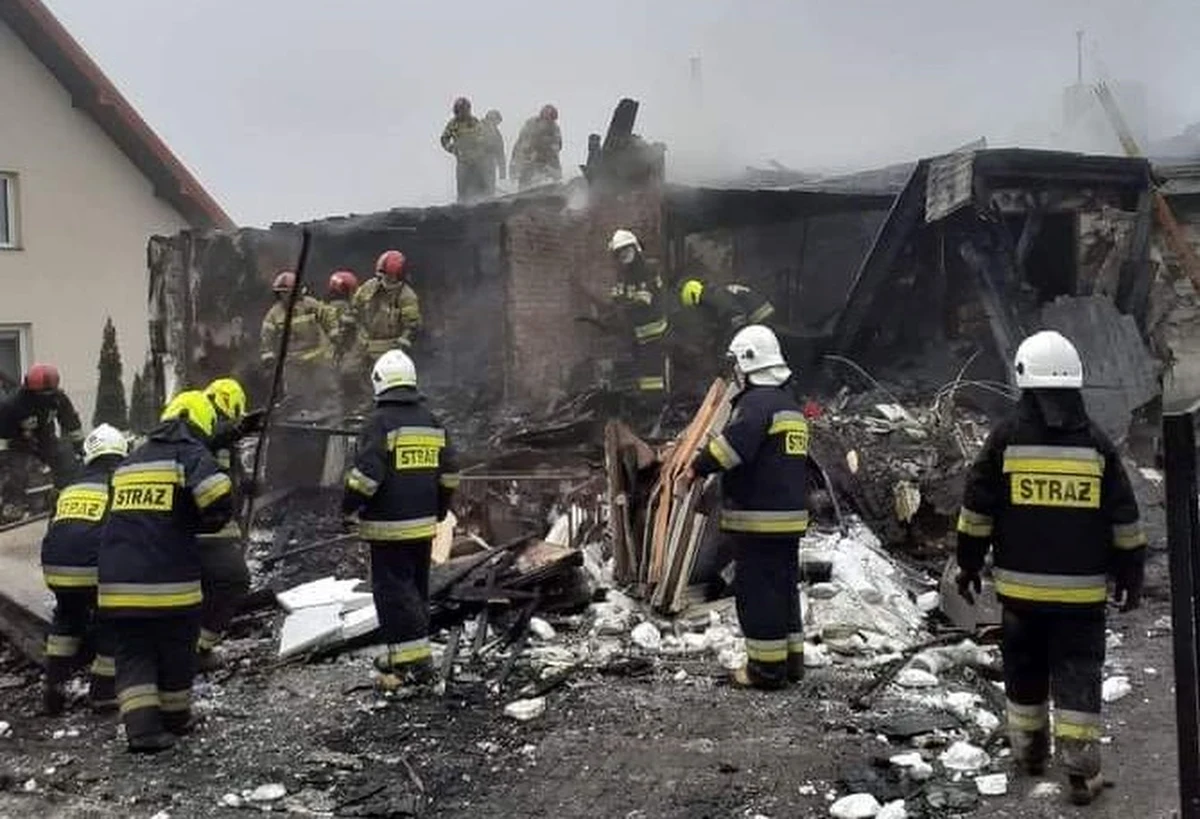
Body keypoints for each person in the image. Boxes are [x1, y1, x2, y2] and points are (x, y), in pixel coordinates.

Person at [955, 330, 1146, 806]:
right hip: (1081, 600)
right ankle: (1081, 773)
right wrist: (1131, 577)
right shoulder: (1096, 444)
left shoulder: (1005, 439)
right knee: (1078, 671)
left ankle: (1028, 753)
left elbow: (977, 510)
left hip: (1020, 596)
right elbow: (1125, 519)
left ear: (1024, 379)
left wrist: (968, 565)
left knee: (1024, 668)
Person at [98, 390, 233, 753]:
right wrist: (208, 522)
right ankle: (176, 719)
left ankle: (142, 732)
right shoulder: (189, 454)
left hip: (118, 582)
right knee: (176, 647)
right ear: (202, 422)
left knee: (133, 652)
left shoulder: (129, 462)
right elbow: (219, 496)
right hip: (169, 580)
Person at [690, 325, 809, 689]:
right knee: (783, 590)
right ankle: (790, 663)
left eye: (737, 364)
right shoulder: (789, 405)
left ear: (748, 362)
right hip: (789, 520)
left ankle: (765, 671)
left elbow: (730, 450)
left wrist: (696, 464)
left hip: (760, 520)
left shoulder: (755, 405)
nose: (735, 373)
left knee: (758, 595)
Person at [343, 350, 458, 688]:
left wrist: (347, 507)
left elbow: (366, 477)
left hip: (388, 527)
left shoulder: (378, 423)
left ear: (378, 382)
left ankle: (414, 665)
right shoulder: (433, 421)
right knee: (415, 589)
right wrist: (439, 509)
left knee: (393, 593)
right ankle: (404, 654)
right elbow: (450, 473)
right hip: (423, 525)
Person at [40, 423, 128, 716]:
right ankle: (103, 694)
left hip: (55, 571)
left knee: (66, 619)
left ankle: (53, 688)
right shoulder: (119, 486)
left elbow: (55, 529)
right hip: (93, 573)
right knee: (112, 623)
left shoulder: (70, 487)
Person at [195, 377, 264, 670]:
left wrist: (246, 484)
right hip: (206, 526)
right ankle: (196, 649)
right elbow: (210, 440)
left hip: (220, 523)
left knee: (216, 586)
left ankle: (195, 645)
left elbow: (228, 466)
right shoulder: (203, 422)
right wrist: (240, 427)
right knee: (232, 581)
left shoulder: (225, 434)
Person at [608, 229, 670, 410]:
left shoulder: (650, 268)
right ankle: (647, 405)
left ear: (635, 248)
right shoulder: (623, 274)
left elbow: (646, 300)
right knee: (641, 373)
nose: (623, 255)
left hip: (654, 332)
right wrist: (624, 303)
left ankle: (657, 406)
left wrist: (624, 303)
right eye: (619, 252)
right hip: (635, 333)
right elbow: (616, 298)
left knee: (653, 374)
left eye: (626, 250)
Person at [260, 271, 337, 408]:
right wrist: (268, 355)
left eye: (287, 292)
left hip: (317, 358)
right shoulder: (274, 314)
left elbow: (327, 316)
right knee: (296, 398)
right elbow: (266, 336)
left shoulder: (310, 305)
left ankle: (328, 414)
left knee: (325, 391)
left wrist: (334, 335)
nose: (284, 296)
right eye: (281, 293)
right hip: (292, 362)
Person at [0, 364, 84, 488]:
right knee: (21, 477)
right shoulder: (13, 405)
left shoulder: (58, 398)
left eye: (51, 390)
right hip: (18, 446)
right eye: (45, 392)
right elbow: (4, 435)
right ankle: (15, 504)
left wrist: (79, 448)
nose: (49, 395)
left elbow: (71, 423)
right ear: (32, 391)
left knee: (66, 464)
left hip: (47, 440)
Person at [352, 251, 423, 364]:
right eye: (383, 276)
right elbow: (354, 307)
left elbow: (412, 326)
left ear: (400, 277)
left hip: (390, 350)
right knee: (347, 372)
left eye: (390, 277)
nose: (385, 280)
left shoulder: (407, 296)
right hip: (363, 344)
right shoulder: (369, 287)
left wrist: (402, 345)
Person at [679, 279, 776, 337]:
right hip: (763, 310)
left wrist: (733, 336)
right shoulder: (716, 291)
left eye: (698, 306)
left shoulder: (712, 296)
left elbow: (737, 314)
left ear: (694, 296)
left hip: (758, 314)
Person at [440, 97, 490, 203]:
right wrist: (453, 149)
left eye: (465, 109)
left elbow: (483, 136)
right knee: (463, 189)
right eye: (460, 110)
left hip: (478, 160)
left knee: (482, 187)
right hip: (463, 162)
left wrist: (480, 148)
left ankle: (486, 205)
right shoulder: (453, 124)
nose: (463, 112)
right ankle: (462, 208)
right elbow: (444, 139)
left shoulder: (474, 121)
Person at [511, 104, 562, 190]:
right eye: (547, 119)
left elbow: (557, 146)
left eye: (551, 120)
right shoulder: (531, 124)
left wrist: (557, 173)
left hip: (546, 160)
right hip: (530, 159)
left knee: (553, 176)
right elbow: (521, 143)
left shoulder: (555, 128)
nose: (548, 122)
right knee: (526, 177)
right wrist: (515, 167)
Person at [481, 110, 506, 196]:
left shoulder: (497, 134)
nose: (496, 123)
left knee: (489, 191)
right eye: (495, 121)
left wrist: (502, 172)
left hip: (490, 165)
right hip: (477, 165)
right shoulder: (477, 128)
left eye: (497, 122)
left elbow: (500, 153)